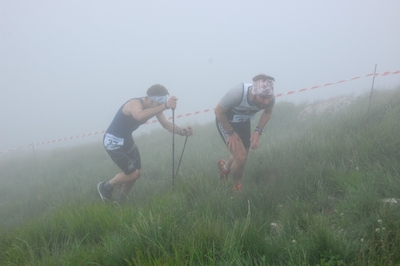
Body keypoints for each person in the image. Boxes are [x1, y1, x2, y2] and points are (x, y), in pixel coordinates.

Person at [97, 84, 193, 203]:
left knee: (138, 172)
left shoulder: (155, 106)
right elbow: (139, 116)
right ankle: (105, 186)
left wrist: (182, 132)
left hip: (127, 139)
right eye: (158, 104)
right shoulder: (135, 104)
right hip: (113, 141)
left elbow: (166, 124)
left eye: (160, 105)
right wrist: (165, 105)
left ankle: (121, 199)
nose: (159, 107)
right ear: (150, 100)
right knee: (132, 174)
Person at [215, 74, 275, 191]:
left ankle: (224, 170)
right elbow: (218, 111)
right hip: (226, 121)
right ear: (255, 92)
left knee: (243, 155)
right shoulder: (238, 93)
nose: (266, 102)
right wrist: (231, 133)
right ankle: (237, 187)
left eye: (268, 98)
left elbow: (267, 112)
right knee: (241, 157)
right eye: (263, 97)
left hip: (244, 121)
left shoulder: (270, 98)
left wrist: (258, 131)